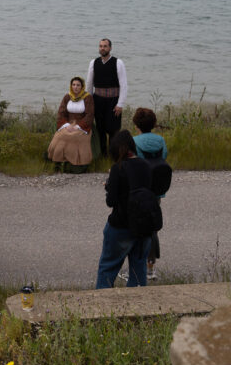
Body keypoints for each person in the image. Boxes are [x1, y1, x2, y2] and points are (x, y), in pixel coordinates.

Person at [95, 130, 153, 289]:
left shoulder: (117, 168)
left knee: (108, 267)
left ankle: (102, 301)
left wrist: (109, 186)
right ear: (132, 147)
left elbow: (111, 201)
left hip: (120, 225)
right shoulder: (146, 166)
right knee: (138, 269)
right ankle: (137, 301)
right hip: (143, 227)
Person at [132, 108, 168, 282]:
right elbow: (164, 156)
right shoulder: (160, 140)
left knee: (136, 227)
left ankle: (136, 269)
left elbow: (133, 164)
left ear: (136, 125)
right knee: (152, 227)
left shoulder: (134, 141)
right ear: (153, 124)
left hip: (139, 190)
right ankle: (150, 267)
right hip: (156, 190)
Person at [86, 39, 128, 157]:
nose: (102, 48)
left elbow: (124, 85)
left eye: (105, 46)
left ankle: (114, 155)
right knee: (100, 129)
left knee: (113, 129)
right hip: (98, 100)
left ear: (110, 48)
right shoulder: (93, 63)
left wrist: (120, 104)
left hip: (113, 101)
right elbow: (89, 84)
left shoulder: (118, 62)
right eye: (100, 46)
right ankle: (102, 154)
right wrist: (89, 102)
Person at [47, 77, 95, 169]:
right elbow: (61, 113)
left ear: (82, 87)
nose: (75, 87)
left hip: (82, 125)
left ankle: (76, 163)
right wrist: (66, 125)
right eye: (73, 85)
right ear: (71, 86)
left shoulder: (87, 98)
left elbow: (90, 115)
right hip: (68, 124)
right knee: (61, 136)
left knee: (74, 136)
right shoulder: (67, 97)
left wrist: (78, 126)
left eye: (78, 85)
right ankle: (59, 161)